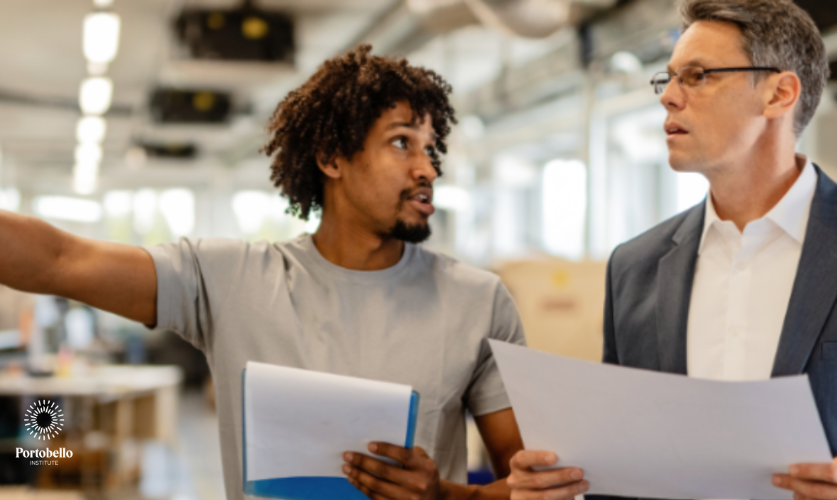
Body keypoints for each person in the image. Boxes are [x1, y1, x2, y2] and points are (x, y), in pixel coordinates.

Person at [505, 1, 837, 500]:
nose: (670, 97)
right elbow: (625, 465)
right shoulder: (634, 268)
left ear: (779, 94)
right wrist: (565, 483)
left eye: (697, 76)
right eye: (668, 78)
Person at [0, 45, 526, 500]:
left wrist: (445, 495)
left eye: (431, 149)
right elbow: (60, 260)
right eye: (401, 142)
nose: (427, 169)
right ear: (331, 157)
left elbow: (534, 484)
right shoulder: (230, 280)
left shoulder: (479, 301)